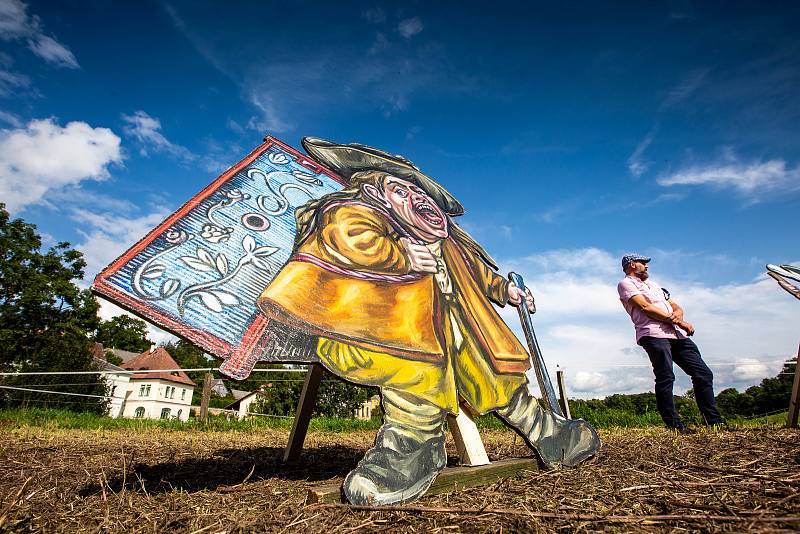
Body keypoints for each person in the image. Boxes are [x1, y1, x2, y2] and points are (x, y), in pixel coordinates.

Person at [256, 138, 600, 505]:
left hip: (461, 324)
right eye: (401, 189)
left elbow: (476, 272)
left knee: (496, 376)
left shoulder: (448, 238)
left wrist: (505, 291)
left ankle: (550, 434)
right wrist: (398, 253)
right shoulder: (350, 210)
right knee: (413, 379)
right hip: (396, 327)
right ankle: (411, 451)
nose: (416, 197)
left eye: (420, 191)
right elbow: (345, 237)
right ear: (375, 191)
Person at [617, 254, 725, 432]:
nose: (647, 266)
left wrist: (678, 316)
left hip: (677, 335)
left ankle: (714, 421)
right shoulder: (626, 284)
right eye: (643, 263)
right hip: (653, 334)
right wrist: (679, 322)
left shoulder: (654, 285)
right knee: (666, 376)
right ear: (631, 264)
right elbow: (645, 307)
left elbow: (675, 306)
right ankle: (674, 425)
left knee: (703, 374)